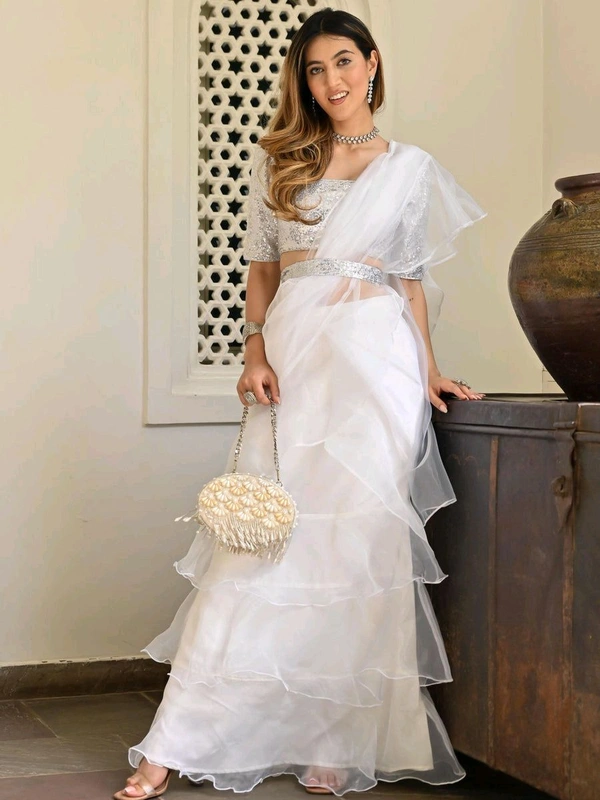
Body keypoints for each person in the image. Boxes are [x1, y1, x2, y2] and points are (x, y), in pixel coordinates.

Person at [114, 8, 486, 799]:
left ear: (373, 63)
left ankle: (336, 736)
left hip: (378, 364)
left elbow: (410, 281)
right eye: (315, 69)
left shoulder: (409, 167)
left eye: (344, 61)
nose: (331, 81)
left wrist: (428, 370)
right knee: (257, 538)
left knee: (360, 544)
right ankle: (172, 743)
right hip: (294, 354)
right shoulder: (279, 160)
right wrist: (253, 352)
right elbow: (261, 269)